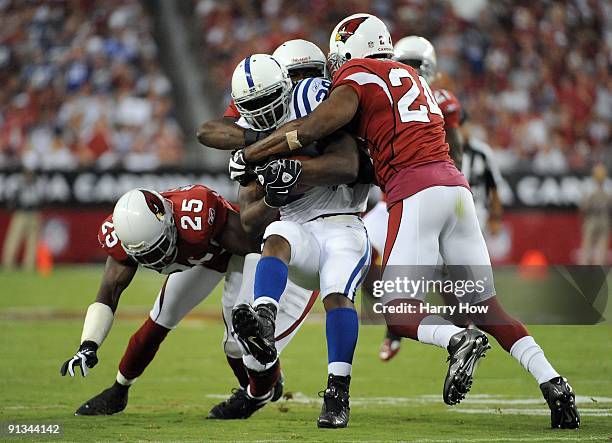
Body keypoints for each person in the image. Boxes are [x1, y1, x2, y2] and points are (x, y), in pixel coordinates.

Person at [234, 13, 579, 429]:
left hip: (416, 191)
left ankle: (457, 339)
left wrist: (252, 153)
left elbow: (312, 127)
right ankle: (554, 383)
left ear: (348, 52)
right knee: (487, 306)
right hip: (456, 191)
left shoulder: (360, 73)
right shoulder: (415, 81)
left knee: (397, 310)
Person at [59, 185, 316, 419]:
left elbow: (254, 243)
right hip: (200, 257)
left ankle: (258, 390)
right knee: (159, 319)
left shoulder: (196, 216)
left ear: (169, 221)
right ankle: (118, 391)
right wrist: (88, 345)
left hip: (238, 251)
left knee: (237, 340)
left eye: (158, 250)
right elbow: (108, 294)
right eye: (146, 257)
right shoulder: (123, 234)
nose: (157, 262)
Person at [225, 54, 370, 428]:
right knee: (276, 234)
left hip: (344, 222)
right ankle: (264, 319)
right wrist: (272, 195)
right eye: (251, 109)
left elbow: (348, 165)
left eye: (267, 101)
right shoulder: (251, 138)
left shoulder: (309, 97)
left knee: (337, 294)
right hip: (298, 224)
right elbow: (248, 218)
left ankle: (338, 393)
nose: (262, 113)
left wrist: (293, 168)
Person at [1, 167, 42, 271]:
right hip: (21, 213)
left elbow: (41, 200)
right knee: (14, 238)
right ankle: (8, 262)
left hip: (33, 213)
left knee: (32, 241)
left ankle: (29, 264)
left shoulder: (37, 184)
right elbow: (12, 200)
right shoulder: (19, 185)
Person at [580, 163, 611, 265]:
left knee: (602, 247)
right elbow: (583, 206)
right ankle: (584, 269)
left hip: (604, 217)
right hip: (591, 217)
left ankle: (599, 270)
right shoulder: (588, 185)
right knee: (587, 245)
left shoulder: (609, 185)